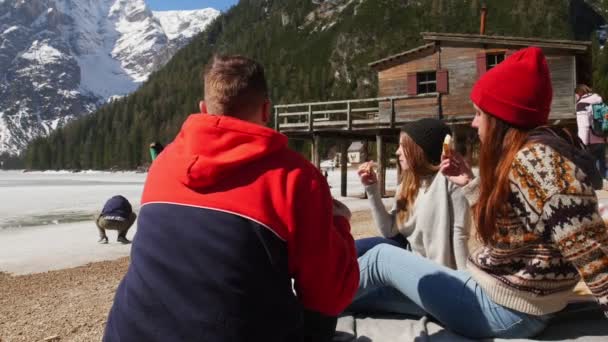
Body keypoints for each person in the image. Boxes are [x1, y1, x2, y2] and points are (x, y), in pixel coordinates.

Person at [349, 47, 608, 339]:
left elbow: (594, 252)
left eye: (478, 113)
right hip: (501, 295)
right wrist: (471, 184)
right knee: (376, 294)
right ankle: (310, 302)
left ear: (500, 118)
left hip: (507, 310)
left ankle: (299, 311)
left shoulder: (540, 165)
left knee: (381, 257)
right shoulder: (529, 157)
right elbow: (510, 236)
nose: (473, 123)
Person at [104, 55, 359, 342]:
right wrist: (339, 223)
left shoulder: (163, 163)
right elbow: (329, 296)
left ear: (203, 109)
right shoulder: (295, 178)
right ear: (265, 110)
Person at [355, 118, 471, 270]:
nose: (397, 152)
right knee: (354, 249)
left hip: (437, 271)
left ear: (420, 149)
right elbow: (389, 230)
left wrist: (465, 285)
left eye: (403, 146)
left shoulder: (448, 181)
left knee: (374, 259)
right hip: (409, 260)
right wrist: (371, 189)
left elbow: (459, 235)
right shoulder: (407, 184)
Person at [575, 84, 606, 178]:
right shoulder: (599, 100)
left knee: (591, 167)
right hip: (602, 137)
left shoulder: (581, 104)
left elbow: (583, 126)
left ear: (578, 93)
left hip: (590, 140)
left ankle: (598, 186)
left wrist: (582, 143)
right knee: (601, 164)